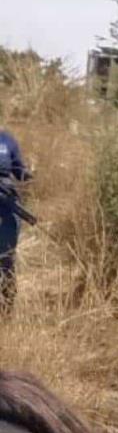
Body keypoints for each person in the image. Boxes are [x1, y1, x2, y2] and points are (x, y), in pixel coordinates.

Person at [0, 129, 30, 313]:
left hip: (8, 203)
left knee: (7, 258)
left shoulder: (8, 140)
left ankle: (7, 309)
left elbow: (21, 172)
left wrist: (29, 174)